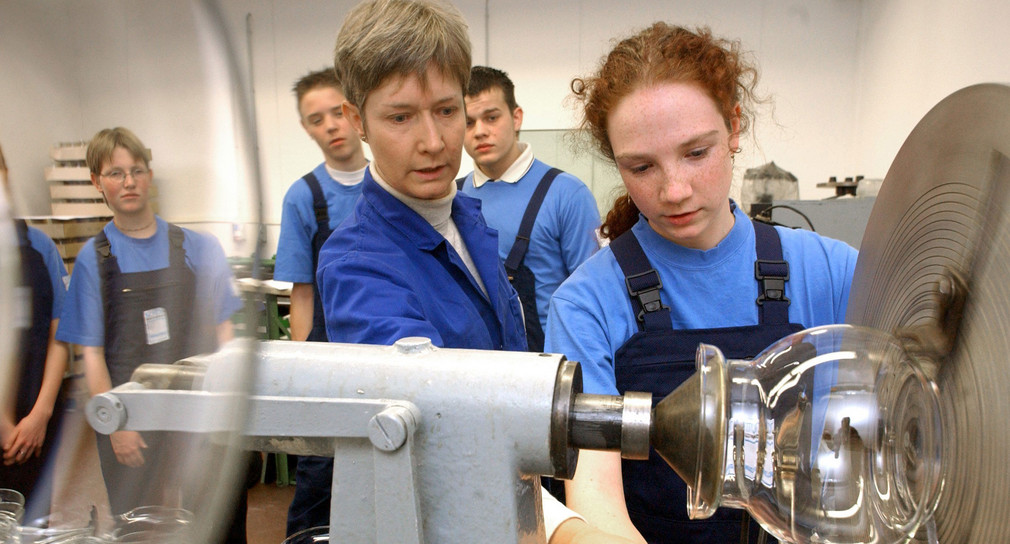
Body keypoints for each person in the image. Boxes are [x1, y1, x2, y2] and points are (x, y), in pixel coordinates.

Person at [316, 2, 634, 543]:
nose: (435, 142)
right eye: (400, 117)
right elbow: (437, 435)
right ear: (355, 120)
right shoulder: (359, 265)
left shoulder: (465, 214)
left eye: (445, 110)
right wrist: (562, 528)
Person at [546, 23, 859, 544]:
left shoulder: (833, 271)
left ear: (734, 127)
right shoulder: (585, 305)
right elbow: (596, 507)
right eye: (641, 166)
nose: (674, 190)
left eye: (696, 153)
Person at [55, 127, 248, 541]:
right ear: (96, 182)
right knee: (136, 525)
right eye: (115, 173)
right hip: (131, 417)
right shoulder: (93, 259)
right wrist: (115, 426)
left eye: (136, 170)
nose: (128, 182)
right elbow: (90, 353)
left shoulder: (199, 247)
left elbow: (225, 336)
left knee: (219, 517)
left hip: (199, 411)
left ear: (149, 175)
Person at [275, 67, 369, 537]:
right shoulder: (303, 197)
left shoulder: (395, 181)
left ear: (355, 111)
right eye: (317, 119)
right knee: (321, 480)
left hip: (391, 353)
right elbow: (302, 294)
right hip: (332, 365)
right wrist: (305, 377)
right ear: (307, 128)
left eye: (337, 112)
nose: (330, 125)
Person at [459, 65, 600, 353]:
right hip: (473, 368)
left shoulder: (567, 194)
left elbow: (593, 298)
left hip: (549, 371)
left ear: (516, 117)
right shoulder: (452, 197)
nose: (480, 131)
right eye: (468, 122)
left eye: (491, 117)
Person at [0, 142, 70, 522]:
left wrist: (40, 415)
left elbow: (61, 334)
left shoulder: (39, 246)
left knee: (33, 521)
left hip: (36, 418)